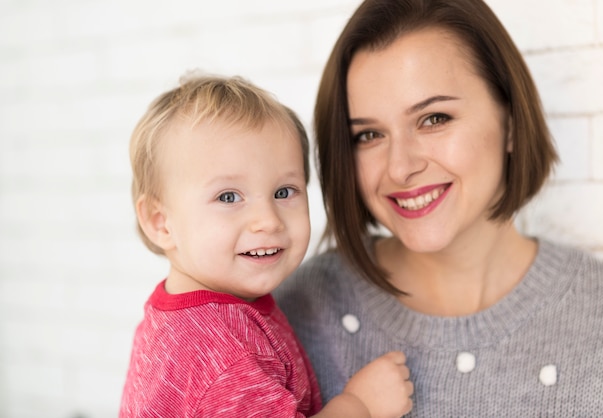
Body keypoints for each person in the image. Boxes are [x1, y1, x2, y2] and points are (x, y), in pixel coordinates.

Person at [275, 0, 603, 416]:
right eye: (369, 134)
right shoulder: (291, 313)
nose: (400, 167)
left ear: (510, 123)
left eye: (434, 118)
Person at [118, 73, 413, 417]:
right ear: (160, 222)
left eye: (284, 192)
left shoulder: (189, 319)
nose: (268, 220)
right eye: (229, 196)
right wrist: (361, 405)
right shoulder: (220, 352)